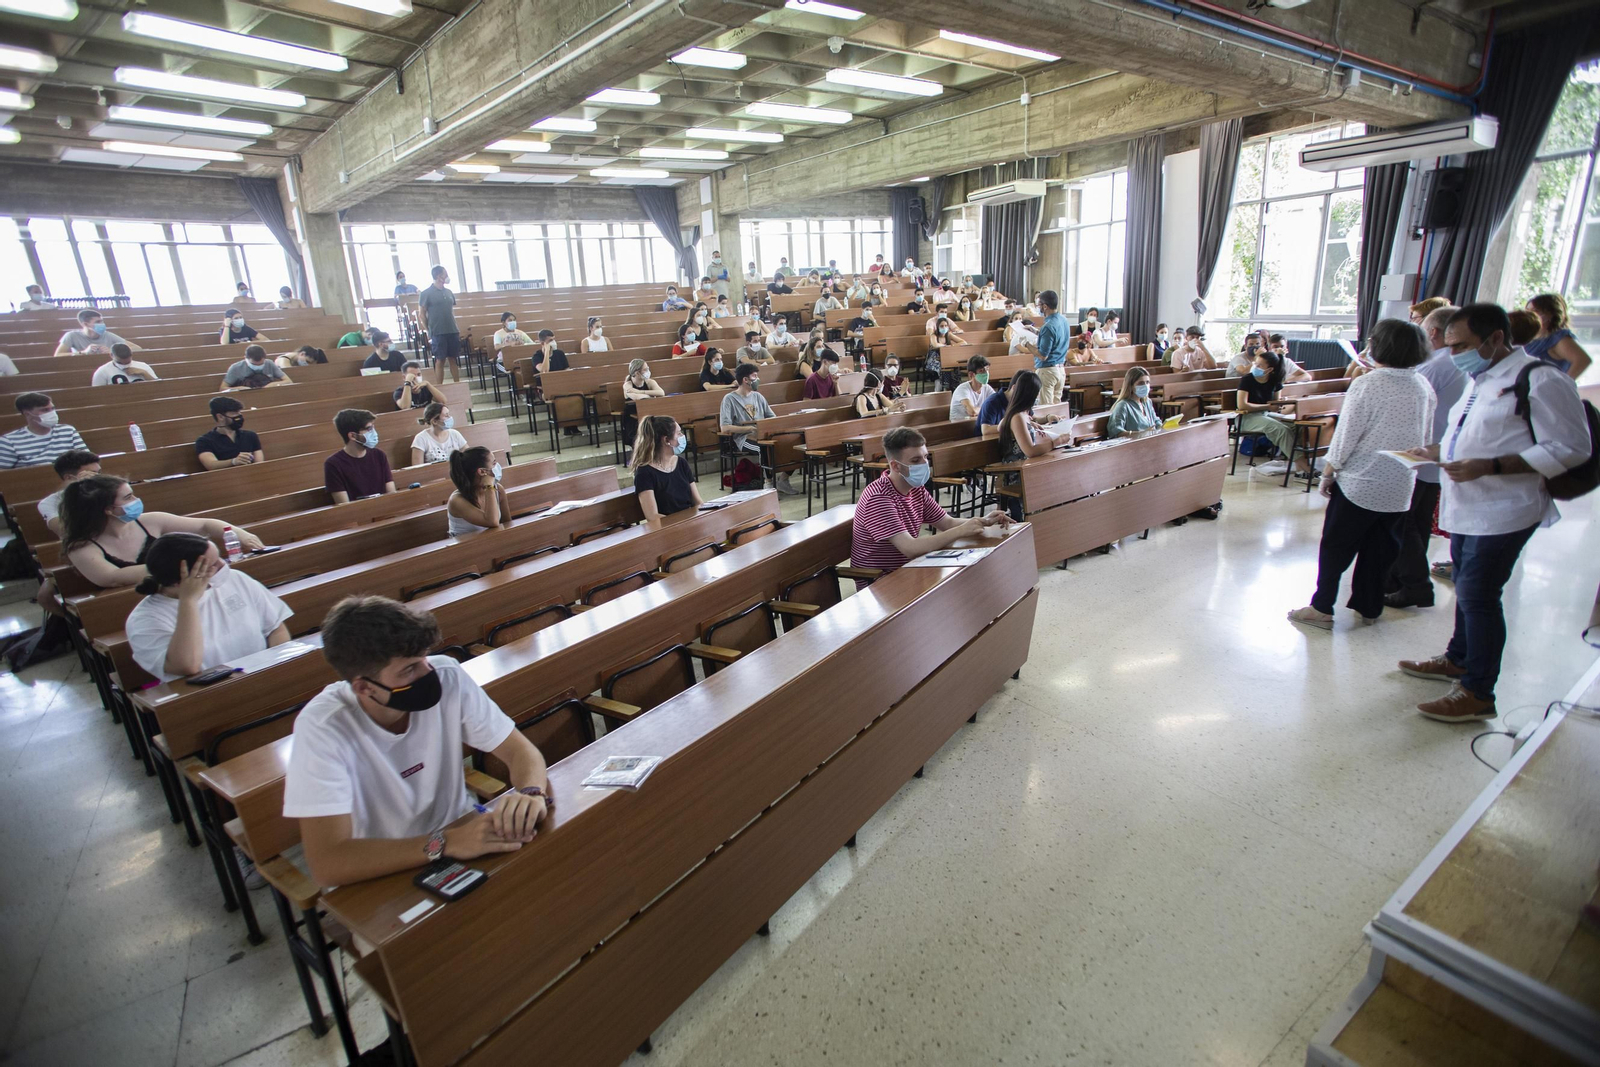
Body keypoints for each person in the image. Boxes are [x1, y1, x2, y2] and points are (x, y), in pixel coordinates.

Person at [1397, 303, 1590, 723]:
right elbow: (1469, 431)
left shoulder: (1540, 379)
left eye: (1463, 345)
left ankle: (1478, 692)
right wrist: (1436, 451)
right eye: (1449, 346)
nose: (1454, 354)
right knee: (1467, 587)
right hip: (1467, 505)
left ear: (1496, 338)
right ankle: (1458, 658)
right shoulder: (1479, 377)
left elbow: (1573, 447)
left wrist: (1492, 465)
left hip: (1505, 510)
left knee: (1480, 596)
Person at [283, 595, 551, 889]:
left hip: (463, 832)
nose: (428, 672)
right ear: (364, 687)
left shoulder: (448, 675)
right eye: (409, 669)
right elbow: (329, 864)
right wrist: (445, 843)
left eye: (424, 658)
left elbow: (519, 750)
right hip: (380, 867)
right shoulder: (323, 728)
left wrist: (531, 792)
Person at [1287, 319, 1437, 630]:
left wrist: (1328, 472)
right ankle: (1370, 607)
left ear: (1380, 346)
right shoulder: (1423, 385)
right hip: (1400, 483)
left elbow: (1346, 435)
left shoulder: (1369, 383)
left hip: (1361, 481)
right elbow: (1425, 438)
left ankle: (1322, 606)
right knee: (1381, 550)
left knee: (1336, 546)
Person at [1386, 305, 1468, 609]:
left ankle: (1414, 583)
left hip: (1421, 454)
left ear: (1432, 332)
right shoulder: (1456, 362)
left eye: (1419, 324)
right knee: (1417, 523)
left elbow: (1406, 402)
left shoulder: (1434, 366)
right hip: (1436, 454)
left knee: (1402, 523)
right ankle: (1401, 580)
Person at [126, 533, 292, 683]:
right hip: (210, 696)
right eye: (212, 564)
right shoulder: (144, 619)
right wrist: (188, 601)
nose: (222, 564)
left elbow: (275, 629)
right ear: (180, 580)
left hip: (265, 677)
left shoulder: (236, 579)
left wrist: (277, 668)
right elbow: (187, 666)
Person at [850, 426, 1009, 575]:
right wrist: (961, 530)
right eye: (915, 460)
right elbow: (910, 548)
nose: (924, 464)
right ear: (895, 466)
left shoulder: (915, 488)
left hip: (908, 569)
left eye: (926, 457)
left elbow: (947, 523)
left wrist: (984, 521)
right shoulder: (878, 497)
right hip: (880, 580)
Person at [60, 474, 262, 588]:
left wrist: (239, 534)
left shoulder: (151, 521)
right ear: (108, 510)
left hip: (180, 589)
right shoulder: (82, 547)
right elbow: (112, 577)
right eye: (128, 498)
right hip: (134, 604)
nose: (136, 501)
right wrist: (183, 567)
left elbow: (204, 525)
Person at [720, 364, 798, 495]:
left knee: (791, 444)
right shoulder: (730, 399)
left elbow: (772, 417)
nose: (758, 379)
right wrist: (749, 429)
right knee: (764, 448)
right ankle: (768, 483)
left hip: (763, 435)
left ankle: (783, 480)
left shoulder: (758, 396)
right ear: (746, 380)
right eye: (755, 376)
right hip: (744, 439)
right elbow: (724, 427)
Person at [1235, 350, 1307, 477]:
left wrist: (1281, 404)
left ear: (1270, 369)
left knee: (1297, 426)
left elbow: (1276, 404)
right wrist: (1268, 406)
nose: (1255, 367)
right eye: (1255, 364)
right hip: (1246, 418)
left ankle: (1299, 467)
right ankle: (1306, 468)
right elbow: (1242, 405)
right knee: (1280, 429)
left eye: (1260, 365)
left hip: (1266, 415)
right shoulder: (1248, 379)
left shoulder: (1274, 381)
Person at [629, 415, 703, 523]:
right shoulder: (644, 473)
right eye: (678, 433)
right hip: (668, 528)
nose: (682, 436)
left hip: (689, 522)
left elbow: (697, 501)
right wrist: (682, 524)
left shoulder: (681, 463)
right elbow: (652, 516)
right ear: (667, 440)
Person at [324, 409, 396, 504]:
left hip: (385, 510)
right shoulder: (333, 464)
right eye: (368, 429)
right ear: (353, 436)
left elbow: (391, 494)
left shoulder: (379, 455)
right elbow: (344, 505)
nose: (374, 433)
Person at [1, 392, 88, 468]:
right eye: (45, 410)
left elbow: (87, 459)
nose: (51, 413)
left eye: (52, 408)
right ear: (27, 414)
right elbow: (3, 473)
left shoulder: (68, 431)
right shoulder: (9, 441)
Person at [1525, 293, 1592, 379]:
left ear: (1550, 314)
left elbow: (1583, 360)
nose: (1529, 314)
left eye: (1535, 311)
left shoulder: (1557, 338)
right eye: (1527, 310)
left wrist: (1563, 383)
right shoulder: (1532, 336)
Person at [446, 447, 510, 536]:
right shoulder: (456, 500)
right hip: (466, 547)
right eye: (494, 463)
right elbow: (492, 521)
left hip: (492, 542)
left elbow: (507, 524)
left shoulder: (498, 489)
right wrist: (489, 486)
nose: (497, 466)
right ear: (482, 471)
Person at [37, 450, 101, 537]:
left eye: (99, 473)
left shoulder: (110, 491)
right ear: (69, 478)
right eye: (91, 474)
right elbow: (64, 531)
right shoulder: (49, 502)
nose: (99, 478)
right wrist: (78, 493)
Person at [196, 396, 265, 470]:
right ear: (220, 417)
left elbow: (259, 463)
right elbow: (210, 465)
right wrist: (233, 462)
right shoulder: (204, 441)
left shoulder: (250, 435)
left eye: (239, 412)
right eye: (234, 413)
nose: (239, 416)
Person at [420, 265, 462, 382]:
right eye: (445, 273)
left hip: (452, 329)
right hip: (438, 331)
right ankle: (440, 386)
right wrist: (429, 329)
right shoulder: (426, 293)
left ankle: (457, 383)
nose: (447, 276)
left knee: (453, 358)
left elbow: (450, 310)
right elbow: (422, 314)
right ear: (439, 276)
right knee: (440, 360)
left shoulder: (449, 292)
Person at [1033, 290, 1069, 406]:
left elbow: (1043, 355)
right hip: (1060, 369)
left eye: (1039, 305)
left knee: (1046, 408)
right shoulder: (1063, 320)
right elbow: (1056, 338)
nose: (1039, 308)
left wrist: (1026, 344)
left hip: (1047, 371)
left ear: (1045, 306)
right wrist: (1036, 331)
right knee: (1056, 407)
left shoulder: (1048, 326)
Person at [1106, 366, 1162, 438]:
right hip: (1133, 445)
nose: (1145, 386)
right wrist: (1141, 433)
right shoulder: (1123, 405)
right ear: (1131, 386)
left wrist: (1160, 426)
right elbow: (1115, 431)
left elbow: (1156, 421)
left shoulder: (1147, 402)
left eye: (1147, 382)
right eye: (1141, 383)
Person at [55, 309, 138, 356]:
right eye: (98, 322)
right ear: (86, 324)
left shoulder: (107, 335)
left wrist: (113, 351)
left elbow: (137, 348)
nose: (102, 324)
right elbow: (58, 355)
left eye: (102, 321)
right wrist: (83, 352)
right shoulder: (72, 336)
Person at [221, 344, 291, 390]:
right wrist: (239, 388)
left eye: (261, 364)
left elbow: (288, 381)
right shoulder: (235, 368)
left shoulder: (269, 363)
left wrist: (272, 385)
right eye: (254, 364)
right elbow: (222, 389)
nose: (258, 366)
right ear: (246, 358)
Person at [949, 355, 994, 421]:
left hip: (974, 423)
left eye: (987, 369)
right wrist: (987, 407)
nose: (986, 373)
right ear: (971, 374)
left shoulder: (987, 388)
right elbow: (972, 412)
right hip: (958, 426)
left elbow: (997, 404)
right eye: (981, 371)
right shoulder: (962, 389)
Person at [90, 343, 158, 386]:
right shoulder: (102, 371)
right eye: (120, 362)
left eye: (128, 362)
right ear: (111, 355)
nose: (124, 365)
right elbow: (97, 393)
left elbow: (158, 386)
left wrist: (144, 373)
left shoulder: (143, 366)